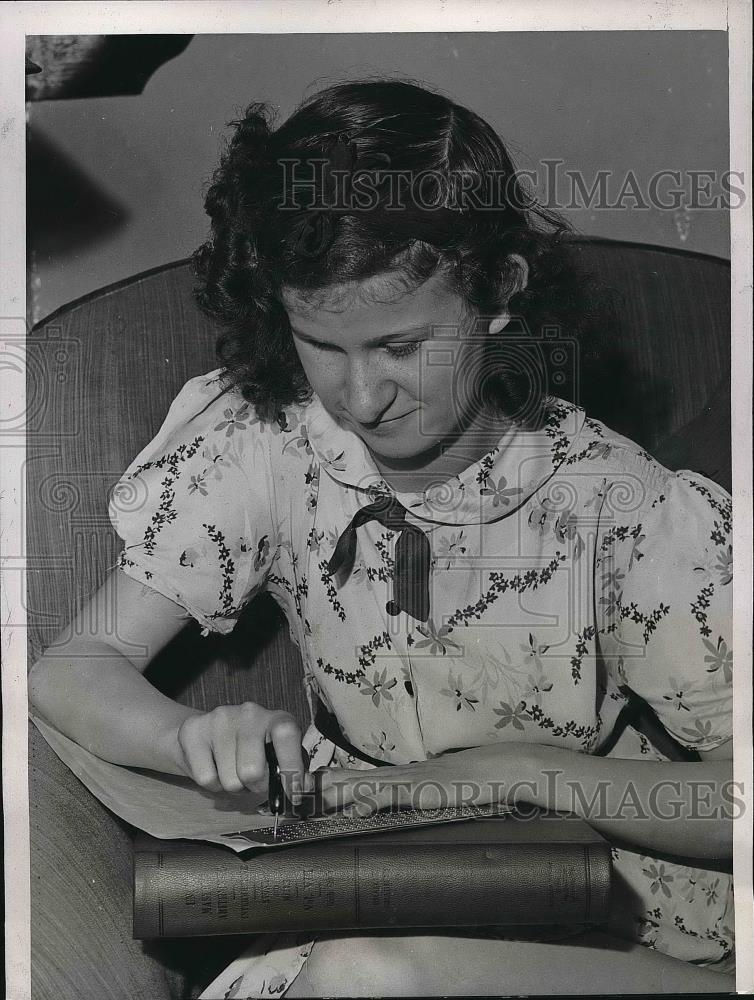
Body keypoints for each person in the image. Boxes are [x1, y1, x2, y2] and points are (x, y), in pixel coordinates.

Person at [29, 79, 735, 997]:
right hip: (372, 880)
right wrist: (197, 737)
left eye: (401, 346)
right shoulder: (266, 440)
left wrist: (522, 773)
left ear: (498, 294)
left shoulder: (625, 508)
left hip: (612, 922)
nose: (362, 401)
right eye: (323, 344)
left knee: (363, 981)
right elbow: (71, 671)